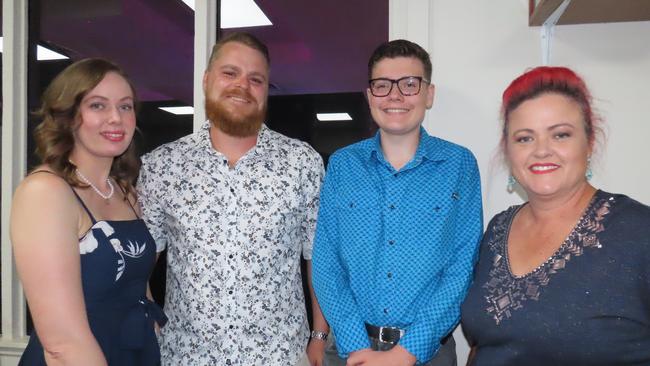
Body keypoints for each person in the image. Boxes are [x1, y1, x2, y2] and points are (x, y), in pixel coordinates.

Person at [137, 32, 327, 365]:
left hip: (279, 356)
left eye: (256, 79)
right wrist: (148, 320)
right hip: (187, 357)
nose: (242, 86)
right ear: (207, 80)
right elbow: (138, 261)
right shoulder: (163, 166)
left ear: (266, 90)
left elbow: (319, 259)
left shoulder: (302, 163)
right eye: (230, 73)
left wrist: (319, 336)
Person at [461, 66, 650, 365]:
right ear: (508, 150)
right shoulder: (499, 229)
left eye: (560, 135)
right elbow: (487, 343)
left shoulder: (640, 232)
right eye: (525, 138)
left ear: (589, 143)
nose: (541, 151)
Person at [312, 39, 483, 366]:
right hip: (350, 351)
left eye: (409, 84)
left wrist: (409, 352)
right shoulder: (343, 165)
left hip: (427, 353)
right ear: (369, 96)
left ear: (428, 94)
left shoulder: (459, 165)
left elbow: (462, 267)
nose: (395, 95)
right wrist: (355, 344)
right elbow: (327, 261)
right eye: (382, 85)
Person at [12, 58, 166, 366]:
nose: (116, 118)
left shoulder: (124, 192)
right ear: (68, 116)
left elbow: (134, 277)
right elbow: (61, 344)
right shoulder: (46, 192)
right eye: (97, 106)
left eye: (125, 106)